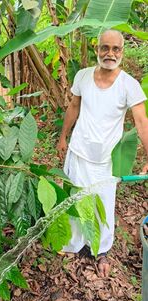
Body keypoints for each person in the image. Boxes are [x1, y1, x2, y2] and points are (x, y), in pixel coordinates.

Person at [56, 29, 148, 277]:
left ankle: (101, 250)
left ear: (122, 51)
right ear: (96, 49)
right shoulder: (83, 76)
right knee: (74, 200)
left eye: (115, 48)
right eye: (104, 48)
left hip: (106, 159)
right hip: (78, 151)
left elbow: (141, 122)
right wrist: (63, 136)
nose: (110, 53)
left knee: (103, 206)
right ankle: (73, 244)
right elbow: (74, 106)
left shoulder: (129, 84)